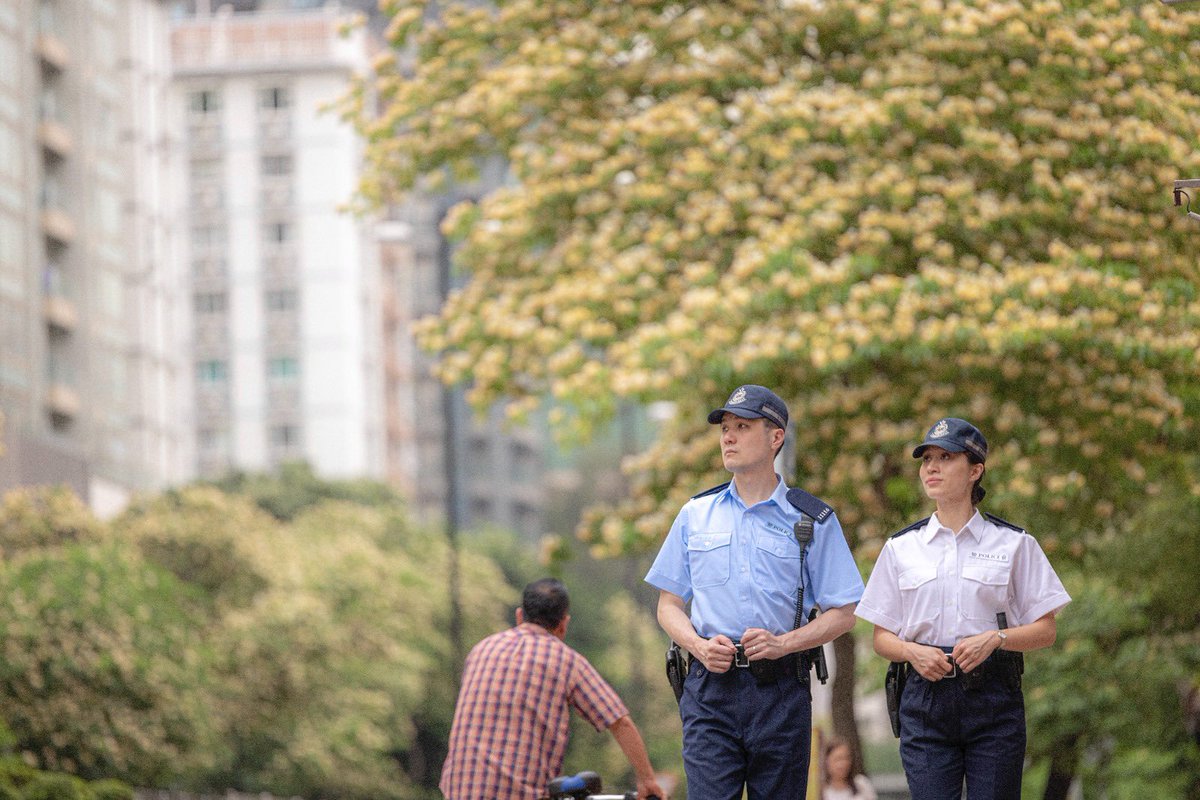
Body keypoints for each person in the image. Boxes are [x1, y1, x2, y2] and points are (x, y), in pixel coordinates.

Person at [645, 384, 865, 800]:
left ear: (775, 437)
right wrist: (696, 644)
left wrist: (784, 644)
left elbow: (844, 612)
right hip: (710, 687)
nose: (728, 436)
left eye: (742, 427)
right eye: (725, 428)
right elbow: (669, 605)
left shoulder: (812, 520)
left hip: (781, 688)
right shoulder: (695, 514)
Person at [855, 418, 1072, 800]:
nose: (931, 468)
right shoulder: (901, 548)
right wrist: (911, 652)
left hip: (992, 693)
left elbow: (1046, 630)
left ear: (975, 470)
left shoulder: (1014, 544)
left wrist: (997, 638)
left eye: (946, 457)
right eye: (926, 460)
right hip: (925, 695)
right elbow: (881, 637)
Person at [439, 578, 668, 800]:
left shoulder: (482, 649)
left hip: (458, 790)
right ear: (563, 624)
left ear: (520, 616)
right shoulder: (566, 661)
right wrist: (647, 781)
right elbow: (619, 722)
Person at [820, 735, 877, 800]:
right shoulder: (822, 791)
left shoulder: (861, 784)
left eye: (846, 758)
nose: (843, 764)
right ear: (826, 761)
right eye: (838, 759)